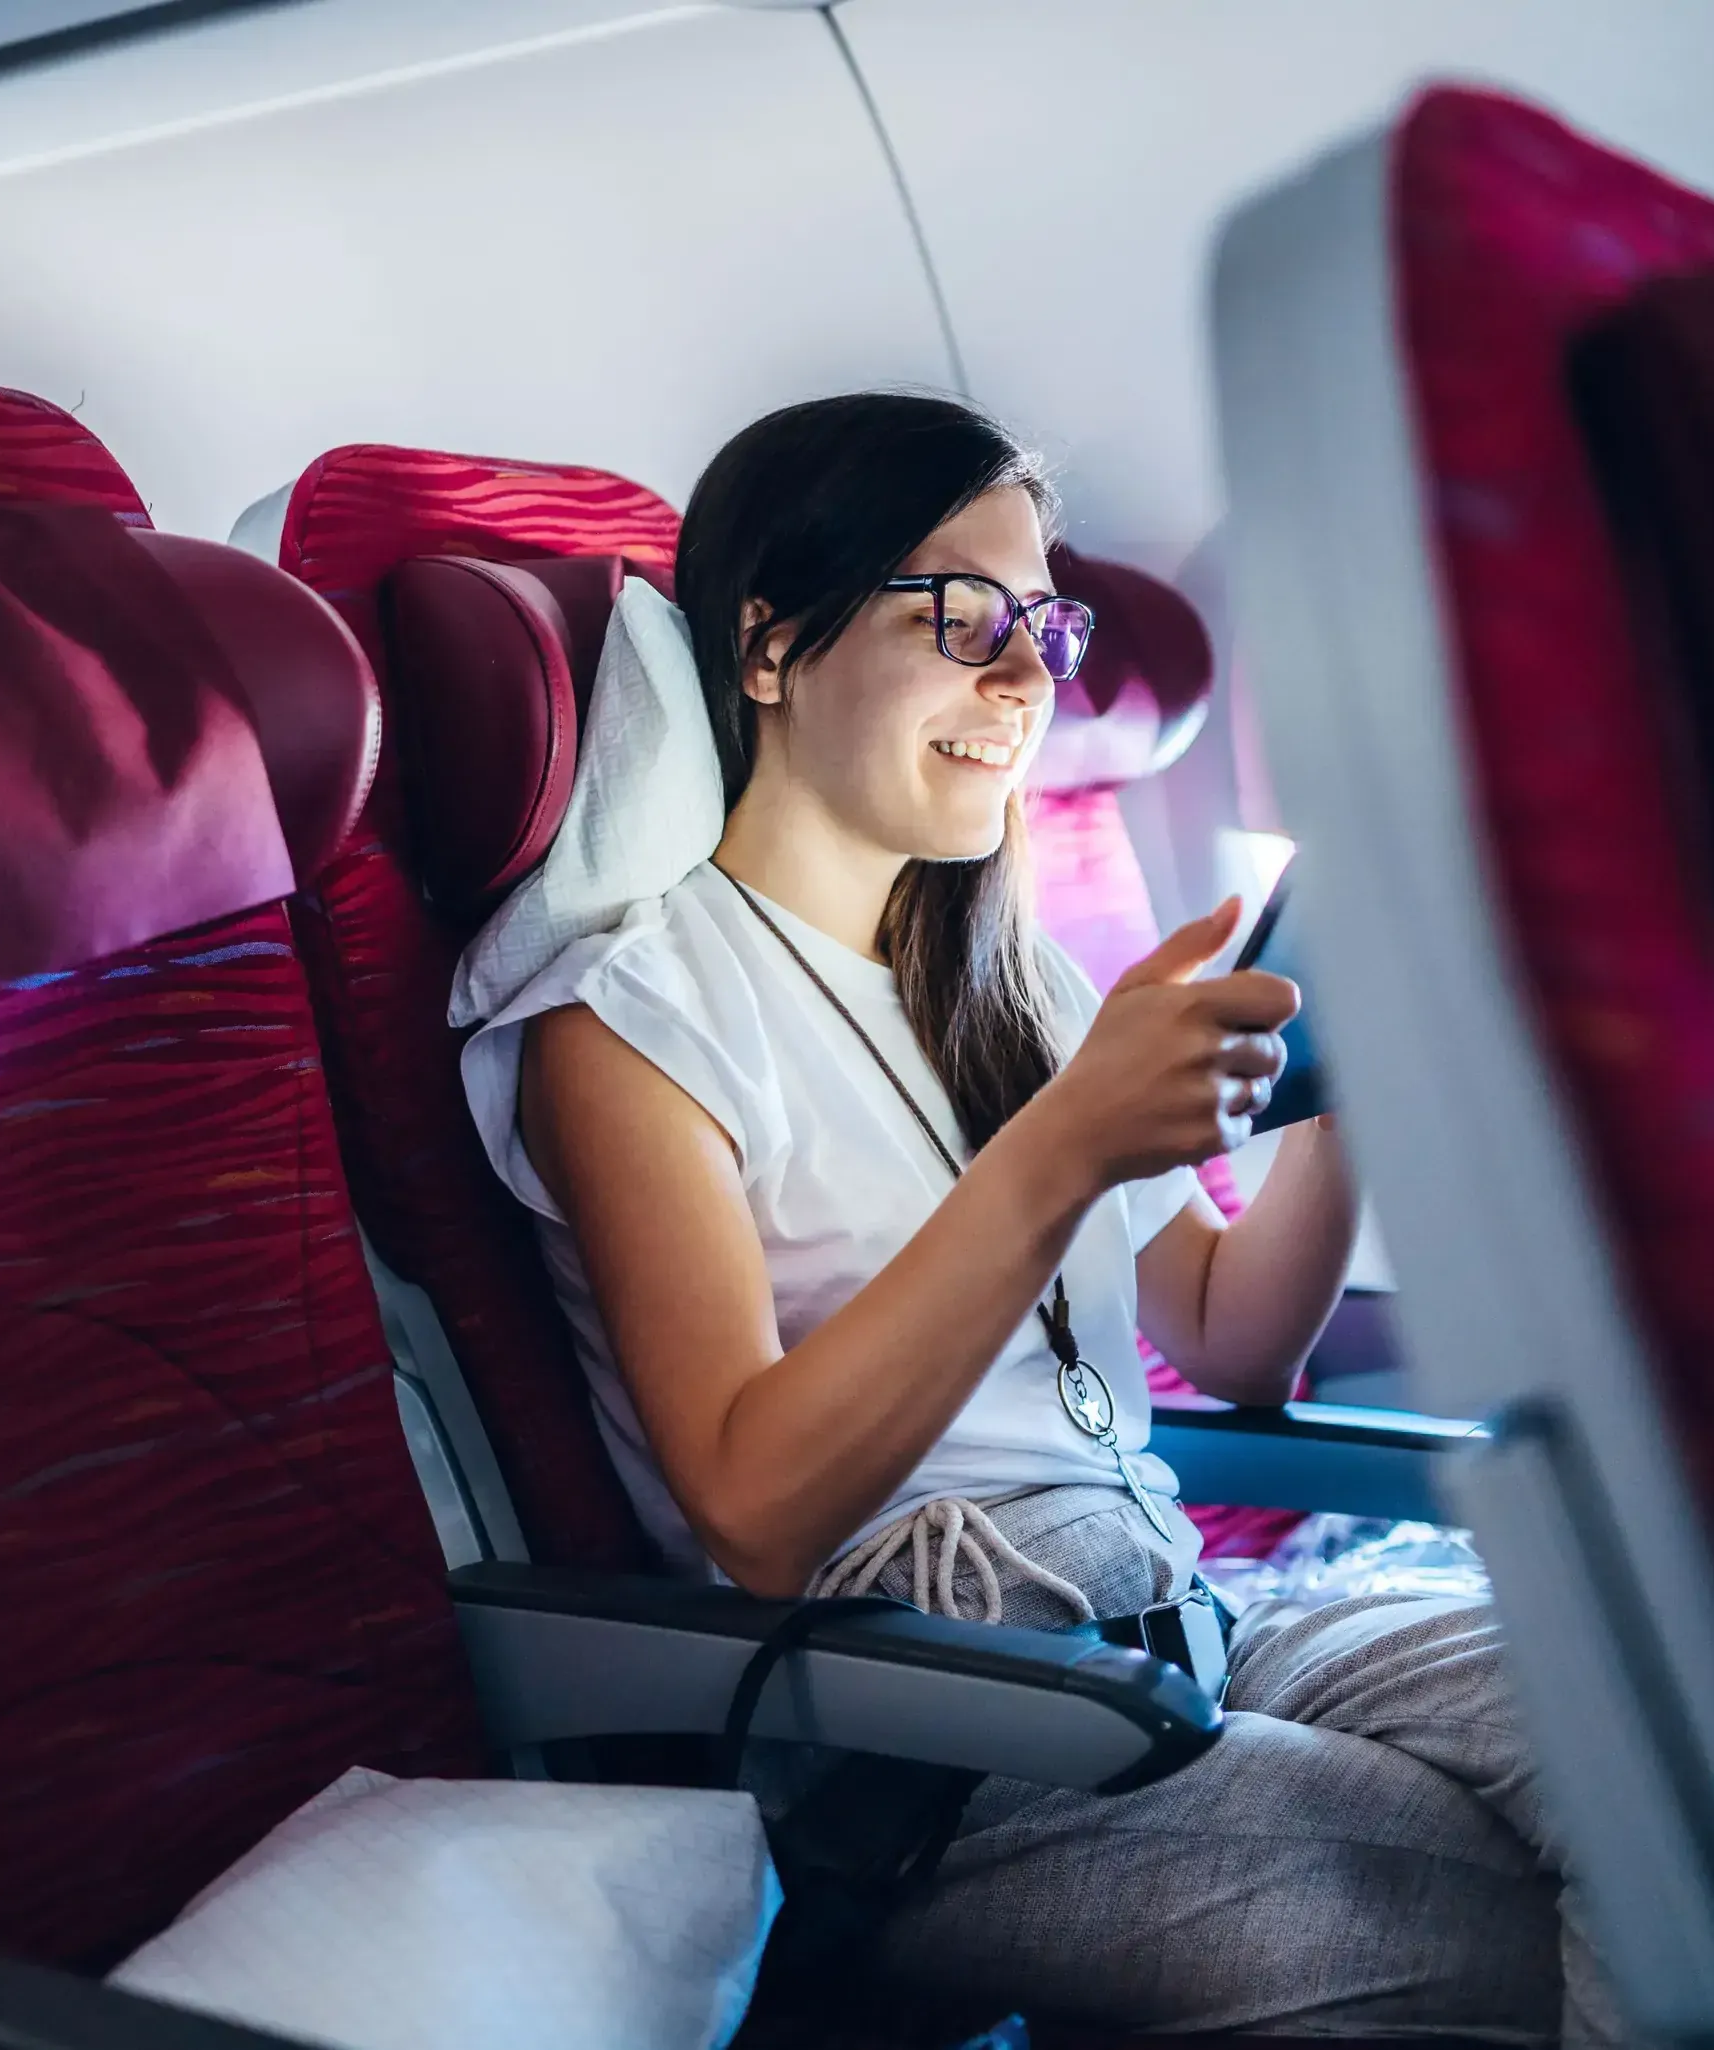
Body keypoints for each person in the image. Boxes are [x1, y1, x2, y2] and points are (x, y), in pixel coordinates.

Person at [464, 394, 1609, 2043]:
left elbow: (1230, 1331)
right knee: (1536, 1925)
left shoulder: (1010, 982)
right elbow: (754, 1509)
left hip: (1177, 1608)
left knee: (1688, 1753)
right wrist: (1062, 1144)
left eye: (1046, 624)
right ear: (770, 645)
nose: (1026, 679)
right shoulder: (628, 1017)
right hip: (935, 1716)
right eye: (964, 617)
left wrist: (1360, 1060)